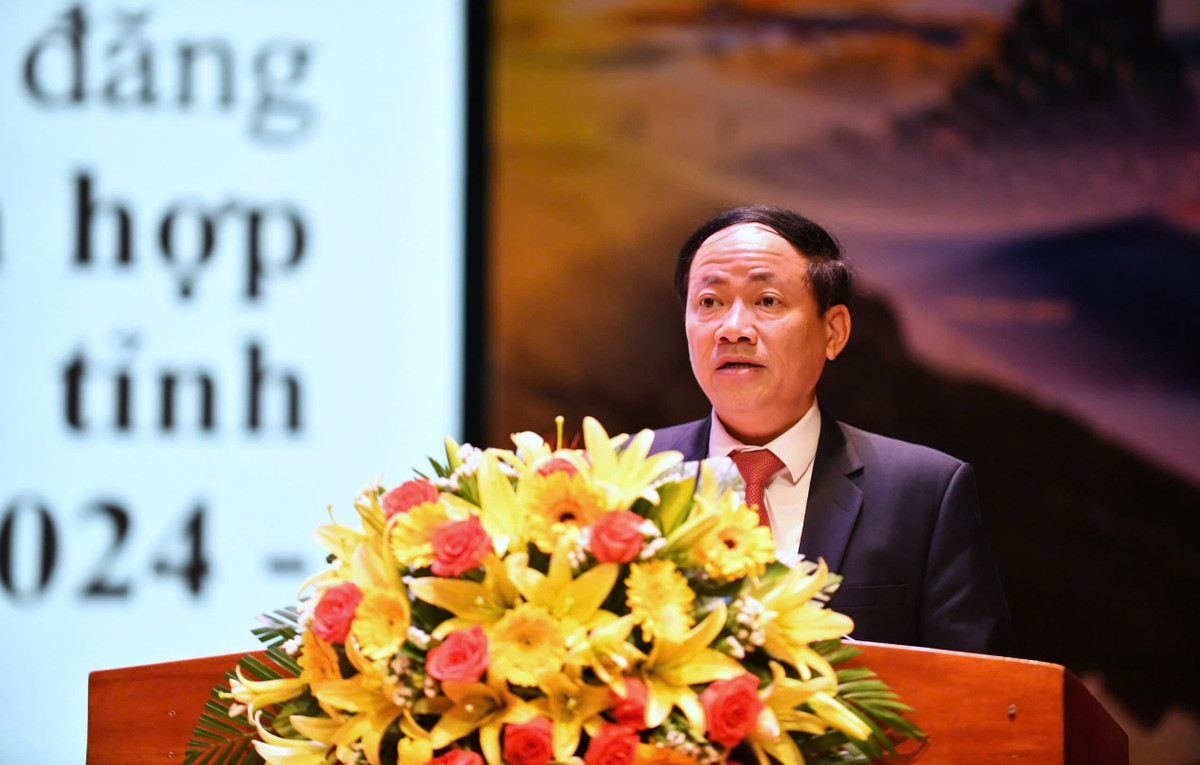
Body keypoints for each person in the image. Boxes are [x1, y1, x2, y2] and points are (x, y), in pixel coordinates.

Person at [650, 205, 1013, 655]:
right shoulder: (621, 480)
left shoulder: (924, 494)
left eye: (767, 301)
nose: (733, 329)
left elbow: (979, 685)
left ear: (834, 331)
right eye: (710, 303)